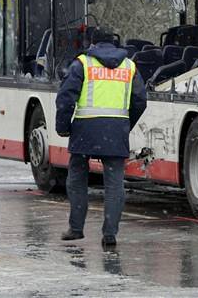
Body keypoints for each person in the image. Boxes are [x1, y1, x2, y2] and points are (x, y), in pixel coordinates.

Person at [55, 28, 147, 246]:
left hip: (85, 130)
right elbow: (140, 101)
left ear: (92, 43)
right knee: (114, 184)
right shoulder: (129, 66)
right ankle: (110, 234)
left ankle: (76, 229)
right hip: (116, 131)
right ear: (115, 44)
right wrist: (126, 124)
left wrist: (63, 127)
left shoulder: (82, 64)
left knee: (77, 179)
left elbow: (66, 97)